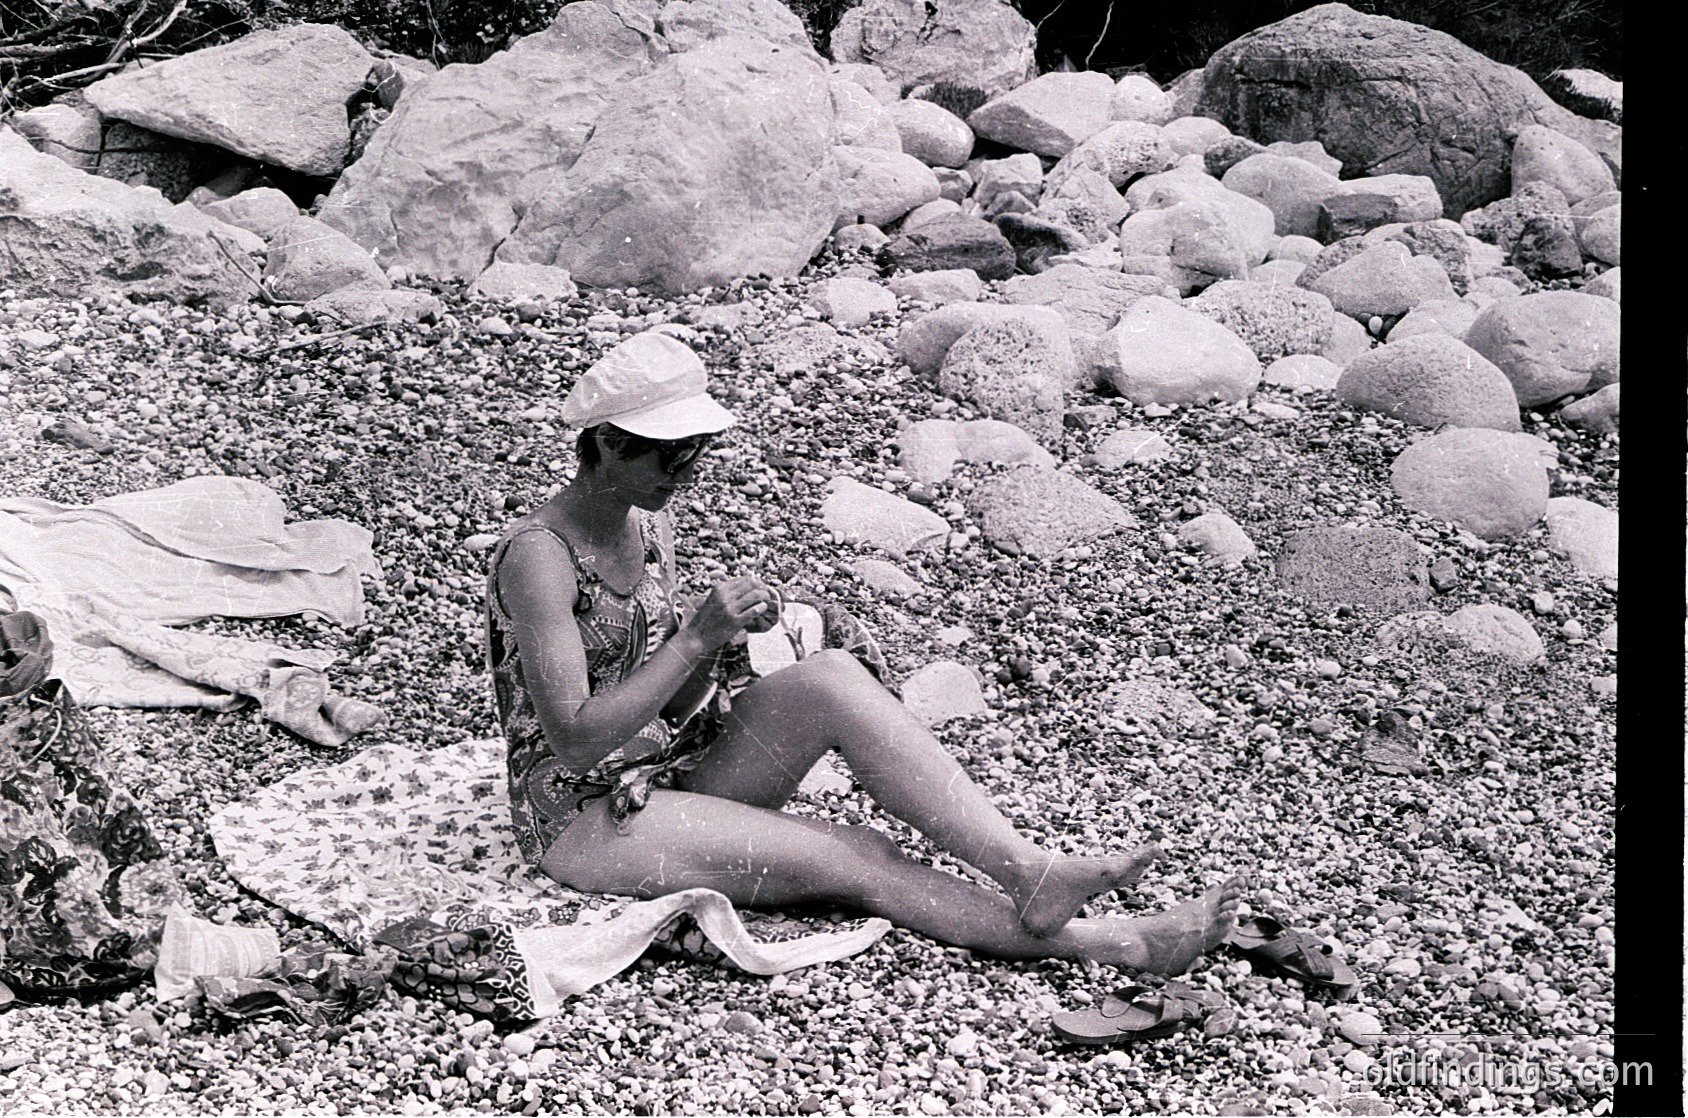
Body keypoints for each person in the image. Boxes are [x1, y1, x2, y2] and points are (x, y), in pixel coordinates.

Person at [485, 330, 1241, 971]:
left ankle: (1027, 869)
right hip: (579, 817)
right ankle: (1115, 945)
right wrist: (693, 637)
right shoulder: (540, 557)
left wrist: (716, 652)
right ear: (609, 443)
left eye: (695, 456)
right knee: (857, 855)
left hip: (661, 769)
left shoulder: (649, 526)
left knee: (833, 678)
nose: (684, 476)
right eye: (669, 459)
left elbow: (674, 700)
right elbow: (577, 741)